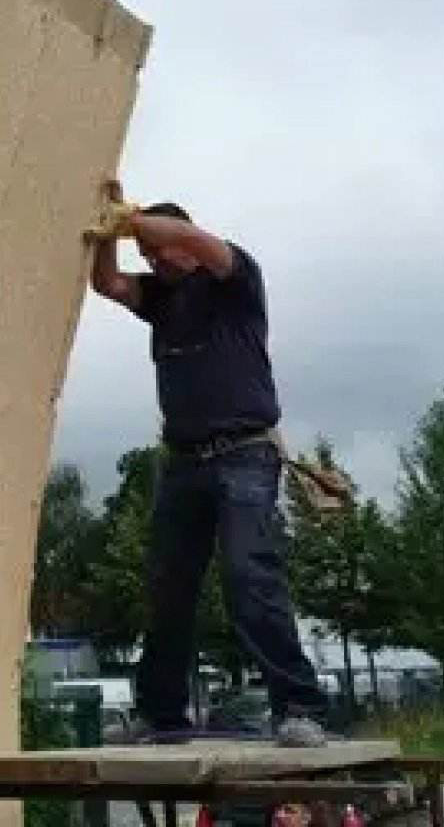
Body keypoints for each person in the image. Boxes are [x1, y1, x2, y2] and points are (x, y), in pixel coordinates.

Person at [87, 182, 328, 748]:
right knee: (168, 588)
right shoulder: (161, 298)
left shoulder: (233, 279)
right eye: (146, 254)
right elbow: (108, 283)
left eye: (156, 250)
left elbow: (189, 236)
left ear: (184, 242)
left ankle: (301, 707)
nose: (153, 261)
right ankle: (162, 714)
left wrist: (129, 219)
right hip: (185, 462)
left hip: (245, 453)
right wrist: (106, 235)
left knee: (250, 576)